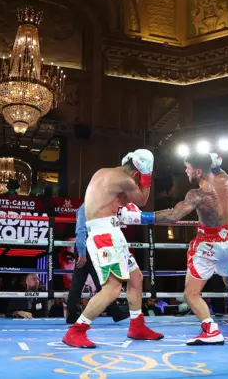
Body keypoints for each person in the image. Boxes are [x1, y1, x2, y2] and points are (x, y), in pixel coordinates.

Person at [119, 152, 228, 345]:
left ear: (199, 170)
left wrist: (139, 218)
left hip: (210, 243)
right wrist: (215, 162)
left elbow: (173, 215)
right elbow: (217, 167)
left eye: (188, 167)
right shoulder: (225, 179)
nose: (186, 170)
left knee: (191, 294)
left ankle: (211, 330)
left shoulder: (198, 194)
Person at [62, 149, 164, 348]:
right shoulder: (125, 180)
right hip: (106, 235)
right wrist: (147, 178)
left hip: (107, 232)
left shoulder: (102, 172)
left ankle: (137, 325)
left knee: (136, 278)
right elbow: (143, 200)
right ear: (137, 172)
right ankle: (77, 330)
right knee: (112, 288)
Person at [65, 203, 128, 324]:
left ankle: (72, 315)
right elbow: (81, 230)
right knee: (98, 282)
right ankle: (115, 312)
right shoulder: (86, 207)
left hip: (94, 247)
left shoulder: (97, 207)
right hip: (88, 248)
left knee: (96, 281)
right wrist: (82, 253)